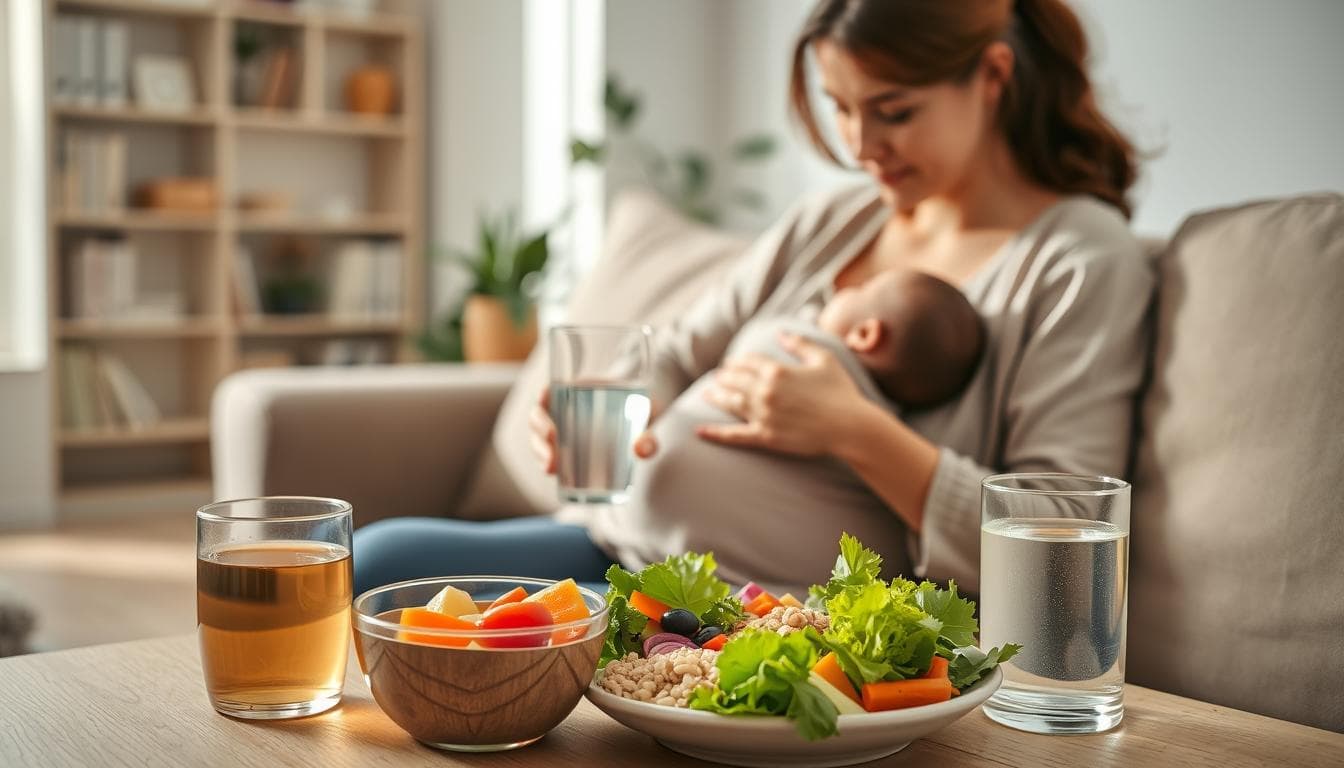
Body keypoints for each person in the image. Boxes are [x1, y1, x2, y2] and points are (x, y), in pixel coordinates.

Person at [353, 0, 1154, 596]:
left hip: (771, 608)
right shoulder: (836, 220)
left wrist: (856, 430)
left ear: (992, 77)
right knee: (372, 562)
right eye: (840, 107)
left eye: (893, 112)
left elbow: (1064, 544)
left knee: (452, 625)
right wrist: (615, 404)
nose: (859, 146)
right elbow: (673, 350)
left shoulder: (1079, 260)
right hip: (625, 544)